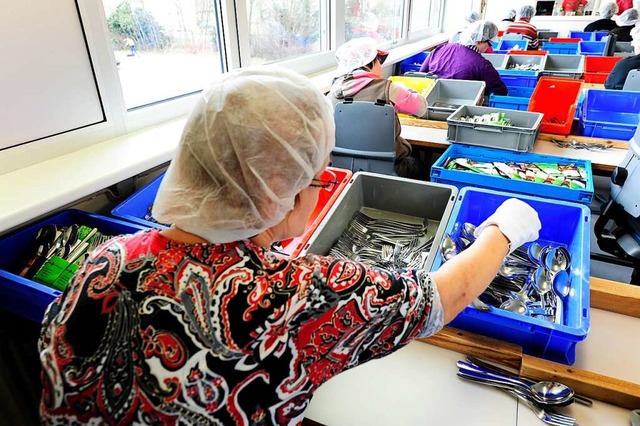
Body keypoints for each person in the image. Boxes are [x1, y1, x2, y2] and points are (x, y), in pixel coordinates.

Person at [38, 66, 541, 425]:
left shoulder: (105, 259)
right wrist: (504, 228)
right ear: (281, 191)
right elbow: (443, 296)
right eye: (318, 179)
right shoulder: (293, 294)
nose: (321, 187)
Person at [327, 37, 428, 179]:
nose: (380, 66)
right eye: (379, 61)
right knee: (421, 164)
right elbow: (421, 108)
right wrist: (409, 91)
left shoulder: (331, 95)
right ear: (370, 63)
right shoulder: (387, 89)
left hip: (344, 172)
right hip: (391, 169)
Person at [420, 20, 508, 97]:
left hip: (428, 99)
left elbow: (420, 74)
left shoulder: (441, 48)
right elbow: (501, 91)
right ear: (481, 40)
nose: (488, 48)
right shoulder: (482, 65)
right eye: (489, 44)